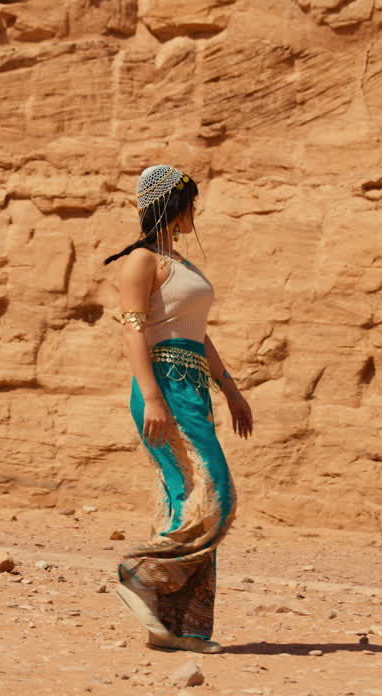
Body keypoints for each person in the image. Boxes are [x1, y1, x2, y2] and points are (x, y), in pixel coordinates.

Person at [103, 164, 253, 654]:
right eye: (191, 202)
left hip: (194, 388)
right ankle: (142, 572)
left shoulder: (180, 263)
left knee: (183, 499)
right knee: (215, 496)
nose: (196, 211)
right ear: (172, 204)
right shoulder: (142, 261)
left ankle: (174, 629)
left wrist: (230, 388)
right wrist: (150, 396)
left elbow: (199, 332)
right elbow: (132, 330)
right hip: (163, 386)